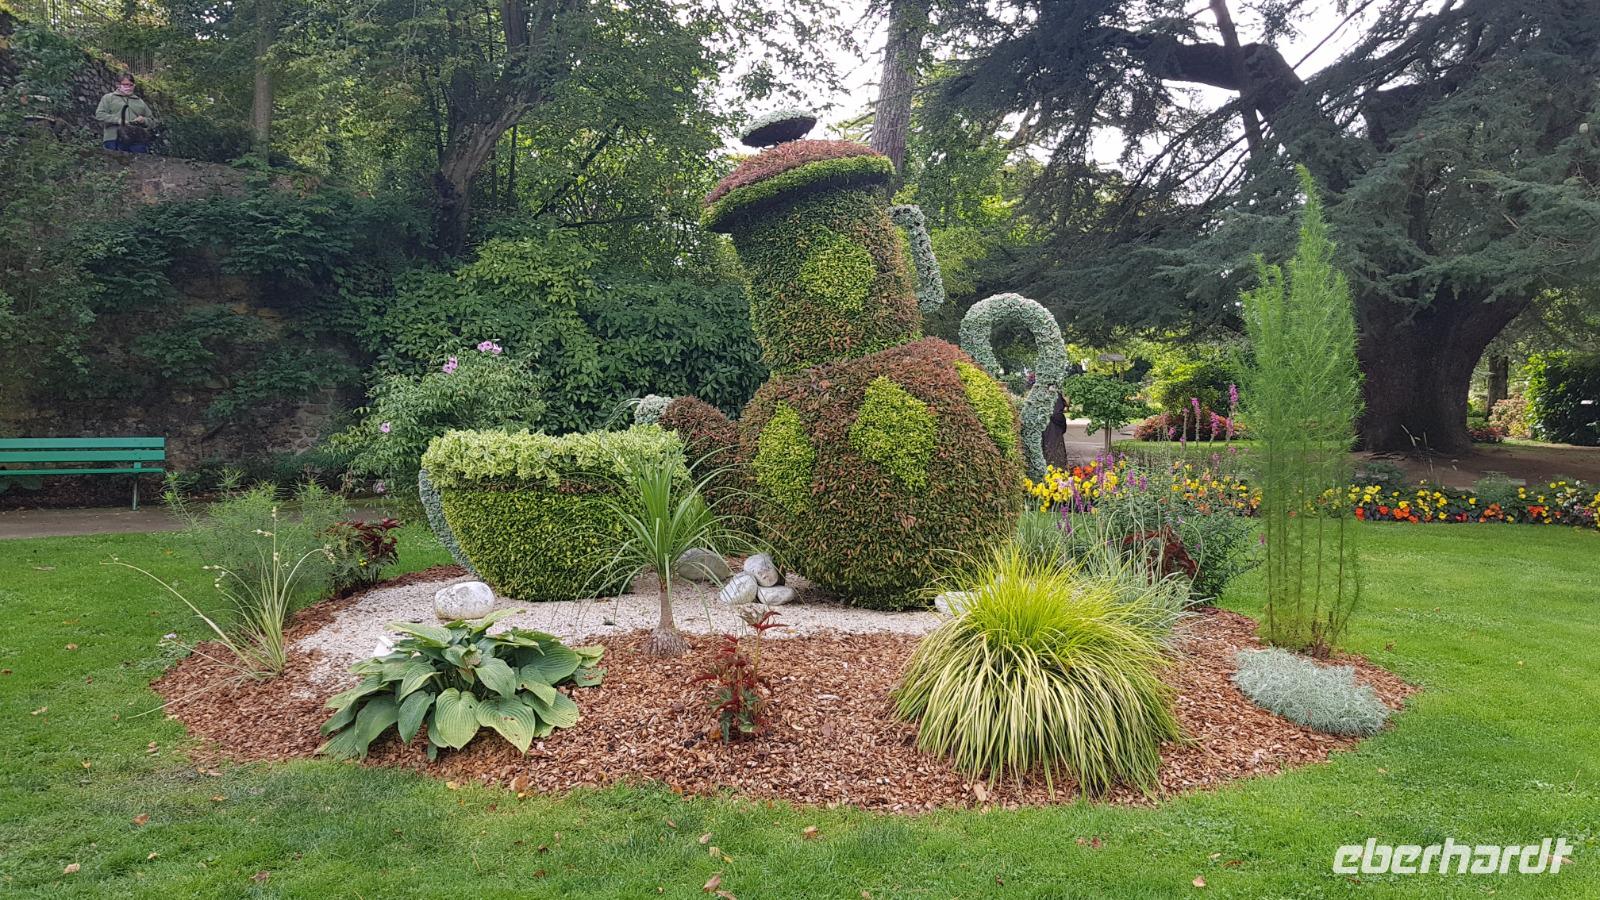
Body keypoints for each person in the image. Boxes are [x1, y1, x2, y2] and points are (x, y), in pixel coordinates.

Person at [95, 74, 157, 154]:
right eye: (126, 84)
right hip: (114, 138)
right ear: (118, 85)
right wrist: (118, 120)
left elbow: (153, 121)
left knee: (139, 164)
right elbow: (100, 115)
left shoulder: (140, 102)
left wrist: (144, 120)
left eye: (131, 85)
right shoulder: (108, 98)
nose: (129, 87)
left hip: (136, 140)